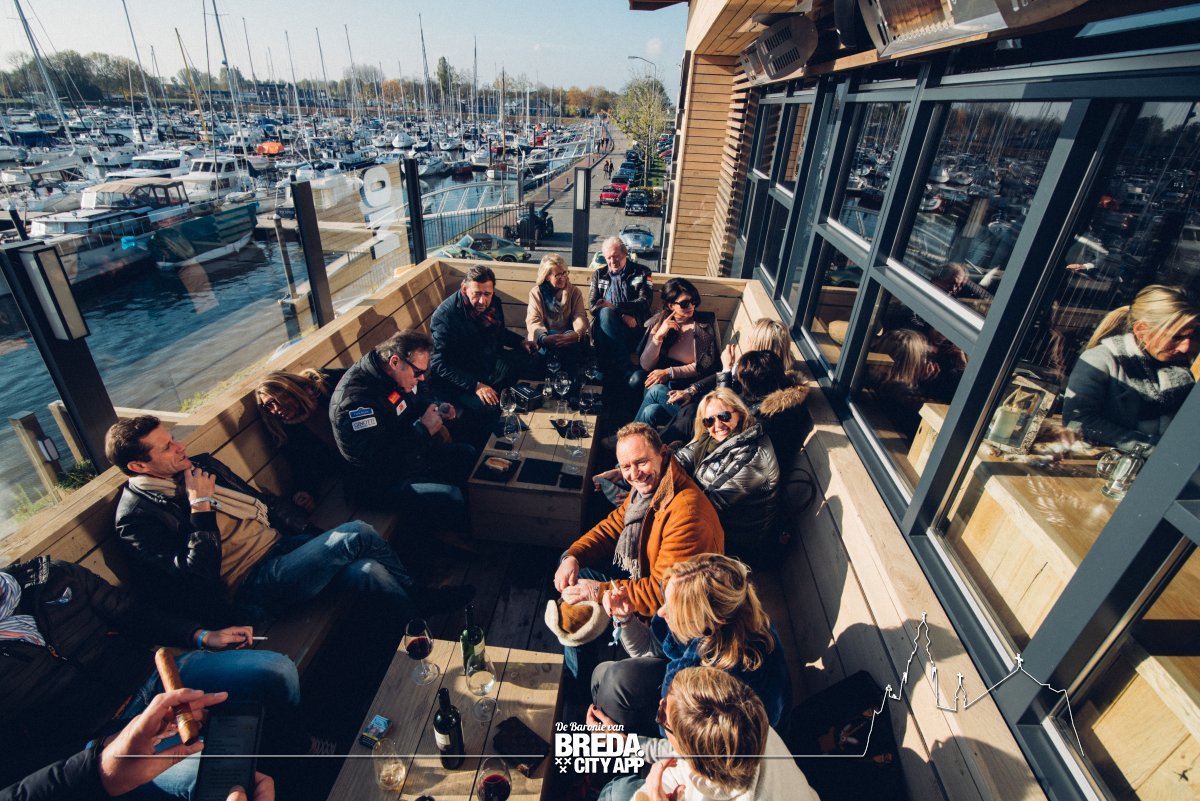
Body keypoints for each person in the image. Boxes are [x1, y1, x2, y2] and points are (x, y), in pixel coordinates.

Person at [107, 415, 466, 628]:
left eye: (173, 439)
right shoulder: (136, 517)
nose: (180, 446)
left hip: (282, 547)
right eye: (167, 447)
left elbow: (263, 503)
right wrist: (200, 507)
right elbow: (196, 578)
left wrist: (314, 538)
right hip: (249, 585)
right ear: (138, 466)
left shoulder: (200, 465)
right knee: (356, 533)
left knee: (368, 570)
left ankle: (413, 629)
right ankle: (420, 597)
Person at [0, 557, 307, 797]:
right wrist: (98, 747)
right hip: (105, 735)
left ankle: (299, 754)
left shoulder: (50, 576)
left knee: (276, 672)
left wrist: (201, 635)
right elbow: (13, 756)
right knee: (215, 780)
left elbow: (131, 613)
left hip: (158, 677)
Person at [553, 422, 723, 679]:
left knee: (580, 593)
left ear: (662, 454)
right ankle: (580, 665)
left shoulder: (687, 514)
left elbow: (660, 593)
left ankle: (579, 682)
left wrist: (597, 591)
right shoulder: (653, 485)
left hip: (674, 621)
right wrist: (573, 555)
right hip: (643, 572)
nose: (634, 474)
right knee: (572, 569)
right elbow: (615, 525)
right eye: (625, 466)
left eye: (641, 462)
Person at [590, 553, 790, 737]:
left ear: (712, 623)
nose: (660, 612)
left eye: (674, 610)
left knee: (612, 687)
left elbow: (698, 753)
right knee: (603, 674)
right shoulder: (706, 620)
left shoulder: (736, 690)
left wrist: (626, 744)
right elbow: (651, 647)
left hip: (710, 747)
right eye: (665, 600)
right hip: (683, 706)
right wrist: (625, 618)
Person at [329, 330, 480, 557]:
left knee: (467, 454)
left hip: (407, 455)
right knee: (450, 495)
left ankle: (468, 522)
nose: (421, 377)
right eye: (418, 372)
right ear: (395, 361)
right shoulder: (356, 403)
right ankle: (439, 543)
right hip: (377, 481)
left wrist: (436, 406)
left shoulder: (391, 374)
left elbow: (419, 395)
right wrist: (423, 430)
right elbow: (376, 460)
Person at [0, 687, 275, 801]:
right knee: (216, 777)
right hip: (80, 746)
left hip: (102, 743)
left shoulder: (40, 585)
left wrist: (100, 767)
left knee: (275, 672)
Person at [597, 667, 819, 801]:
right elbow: (680, 762)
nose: (660, 704)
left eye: (663, 716)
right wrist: (626, 744)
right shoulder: (749, 726)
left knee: (616, 792)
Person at [1063, 284, 1197, 452]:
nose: (1186, 347)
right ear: (1141, 330)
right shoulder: (1101, 360)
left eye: (1193, 336)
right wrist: (1154, 449)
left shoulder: (1181, 366)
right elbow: (1078, 421)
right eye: (1176, 337)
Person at [429, 263, 536, 443]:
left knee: (530, 359)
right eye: (476, 293)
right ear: (464, 288)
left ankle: (526, 422)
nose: (482, 301)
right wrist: (476, 385)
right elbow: (439, 364)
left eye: (487, 294)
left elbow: (499, 333)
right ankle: (489, 446)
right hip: (460, 380)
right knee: (488, 405)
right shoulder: (446, 317)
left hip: (486, 364)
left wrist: (521, 341)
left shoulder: (493, 303)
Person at [673, 390, 780, 560]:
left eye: (724, 416)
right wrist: (655, 465)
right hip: (714, 521)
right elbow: (682, 458)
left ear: (740, 413)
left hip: (738, 541)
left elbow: (710, 503)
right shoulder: (711, 439)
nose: (717, 425)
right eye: (709, 421)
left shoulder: (752, 454)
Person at [254, 368, 346, 513]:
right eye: (269, 406)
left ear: (290, 390)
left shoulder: (325, 385)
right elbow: (303, 468)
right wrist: (304, 493)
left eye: (276, 400)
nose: (275, 409)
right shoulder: (290, 434)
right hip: (352, 466)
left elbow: (361, 376)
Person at [631, 277, 719, 428]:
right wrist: (658, 336)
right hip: (664, 385)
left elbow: (705, 366)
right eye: (684, 304)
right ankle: (632, 436)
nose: (691, 306)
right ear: (670, 305)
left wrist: (669, 372)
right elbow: (646, 365)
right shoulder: (659, 322)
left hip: (689, 389)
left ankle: (627, 435)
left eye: (693, 301)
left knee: (655, 391)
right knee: (651, 411)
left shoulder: (704, 324)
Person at [589, 237, 654, 380]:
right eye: (608, 258)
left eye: (616, 256)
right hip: (606, 327)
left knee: (607, 312)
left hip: (634, 326)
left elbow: (645, 301)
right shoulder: (599, 275)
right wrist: (621, 314)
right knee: (605, 313)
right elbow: (593, 306)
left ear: (625, 253)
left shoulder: (642, 272)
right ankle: (624, 368)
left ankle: (606, 373)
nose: (612, 261)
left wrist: (613, 306)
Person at [526, 253, 589, 373]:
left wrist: (577, 334)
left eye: (565, 273)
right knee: (549, 342)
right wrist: (544, 338)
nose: (563, 277)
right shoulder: (536, 293)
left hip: (569, 338)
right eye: (558, 275)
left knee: (573, 347)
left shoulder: (574, 292)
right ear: (547, 276)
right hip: (546, 339)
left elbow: (579, 316)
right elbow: (534, 320)